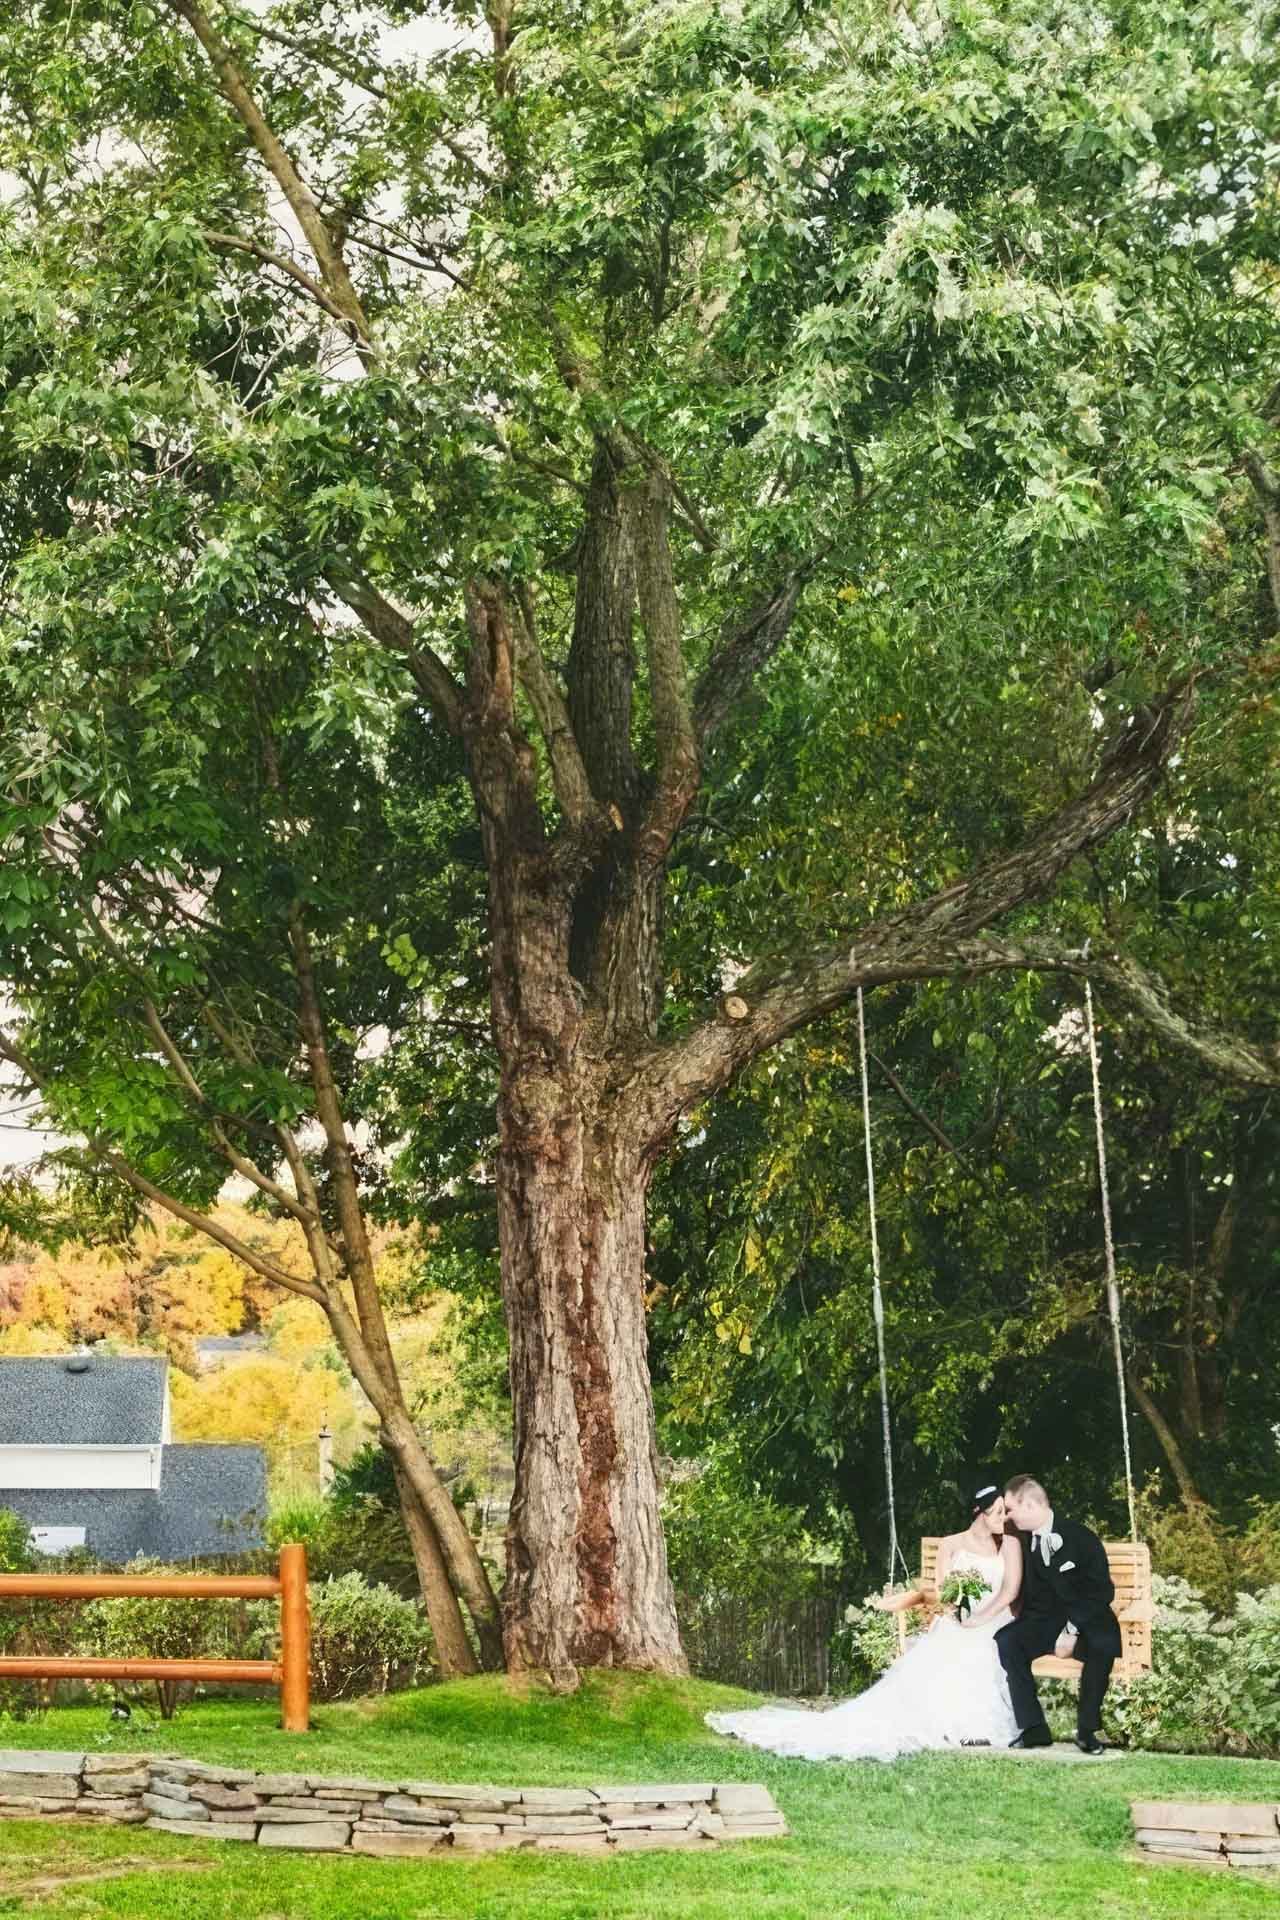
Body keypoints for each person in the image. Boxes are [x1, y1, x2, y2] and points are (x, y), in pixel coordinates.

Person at [704, 1482, 1021, 1762]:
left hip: (993, 1619)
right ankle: (953, 1725)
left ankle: (974, 1725)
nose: (1002, 1519)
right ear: (979, 1513)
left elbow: (1009, 1590)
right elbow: (937, 1590)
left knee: (984, 1649)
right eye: (996, 1513)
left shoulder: (1005, 1545)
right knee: (952, 1648)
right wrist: (957, 1605)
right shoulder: (952, 1544)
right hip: (959, 1618)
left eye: (1004, 1513)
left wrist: (982, 1616)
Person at [997, 1473, 1121, 1755]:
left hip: (1085, 1618)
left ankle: (1087, 1731)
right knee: (1008, 1641)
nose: (1008, 1515)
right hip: (1043, 1620)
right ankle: (1033, 1729)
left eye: (1011, 1508)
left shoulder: (1080, 1536)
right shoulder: (1019, 1538)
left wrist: (1071, 1630)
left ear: (1029, 1505)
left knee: (1102, 1645)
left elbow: (1102, 1592)